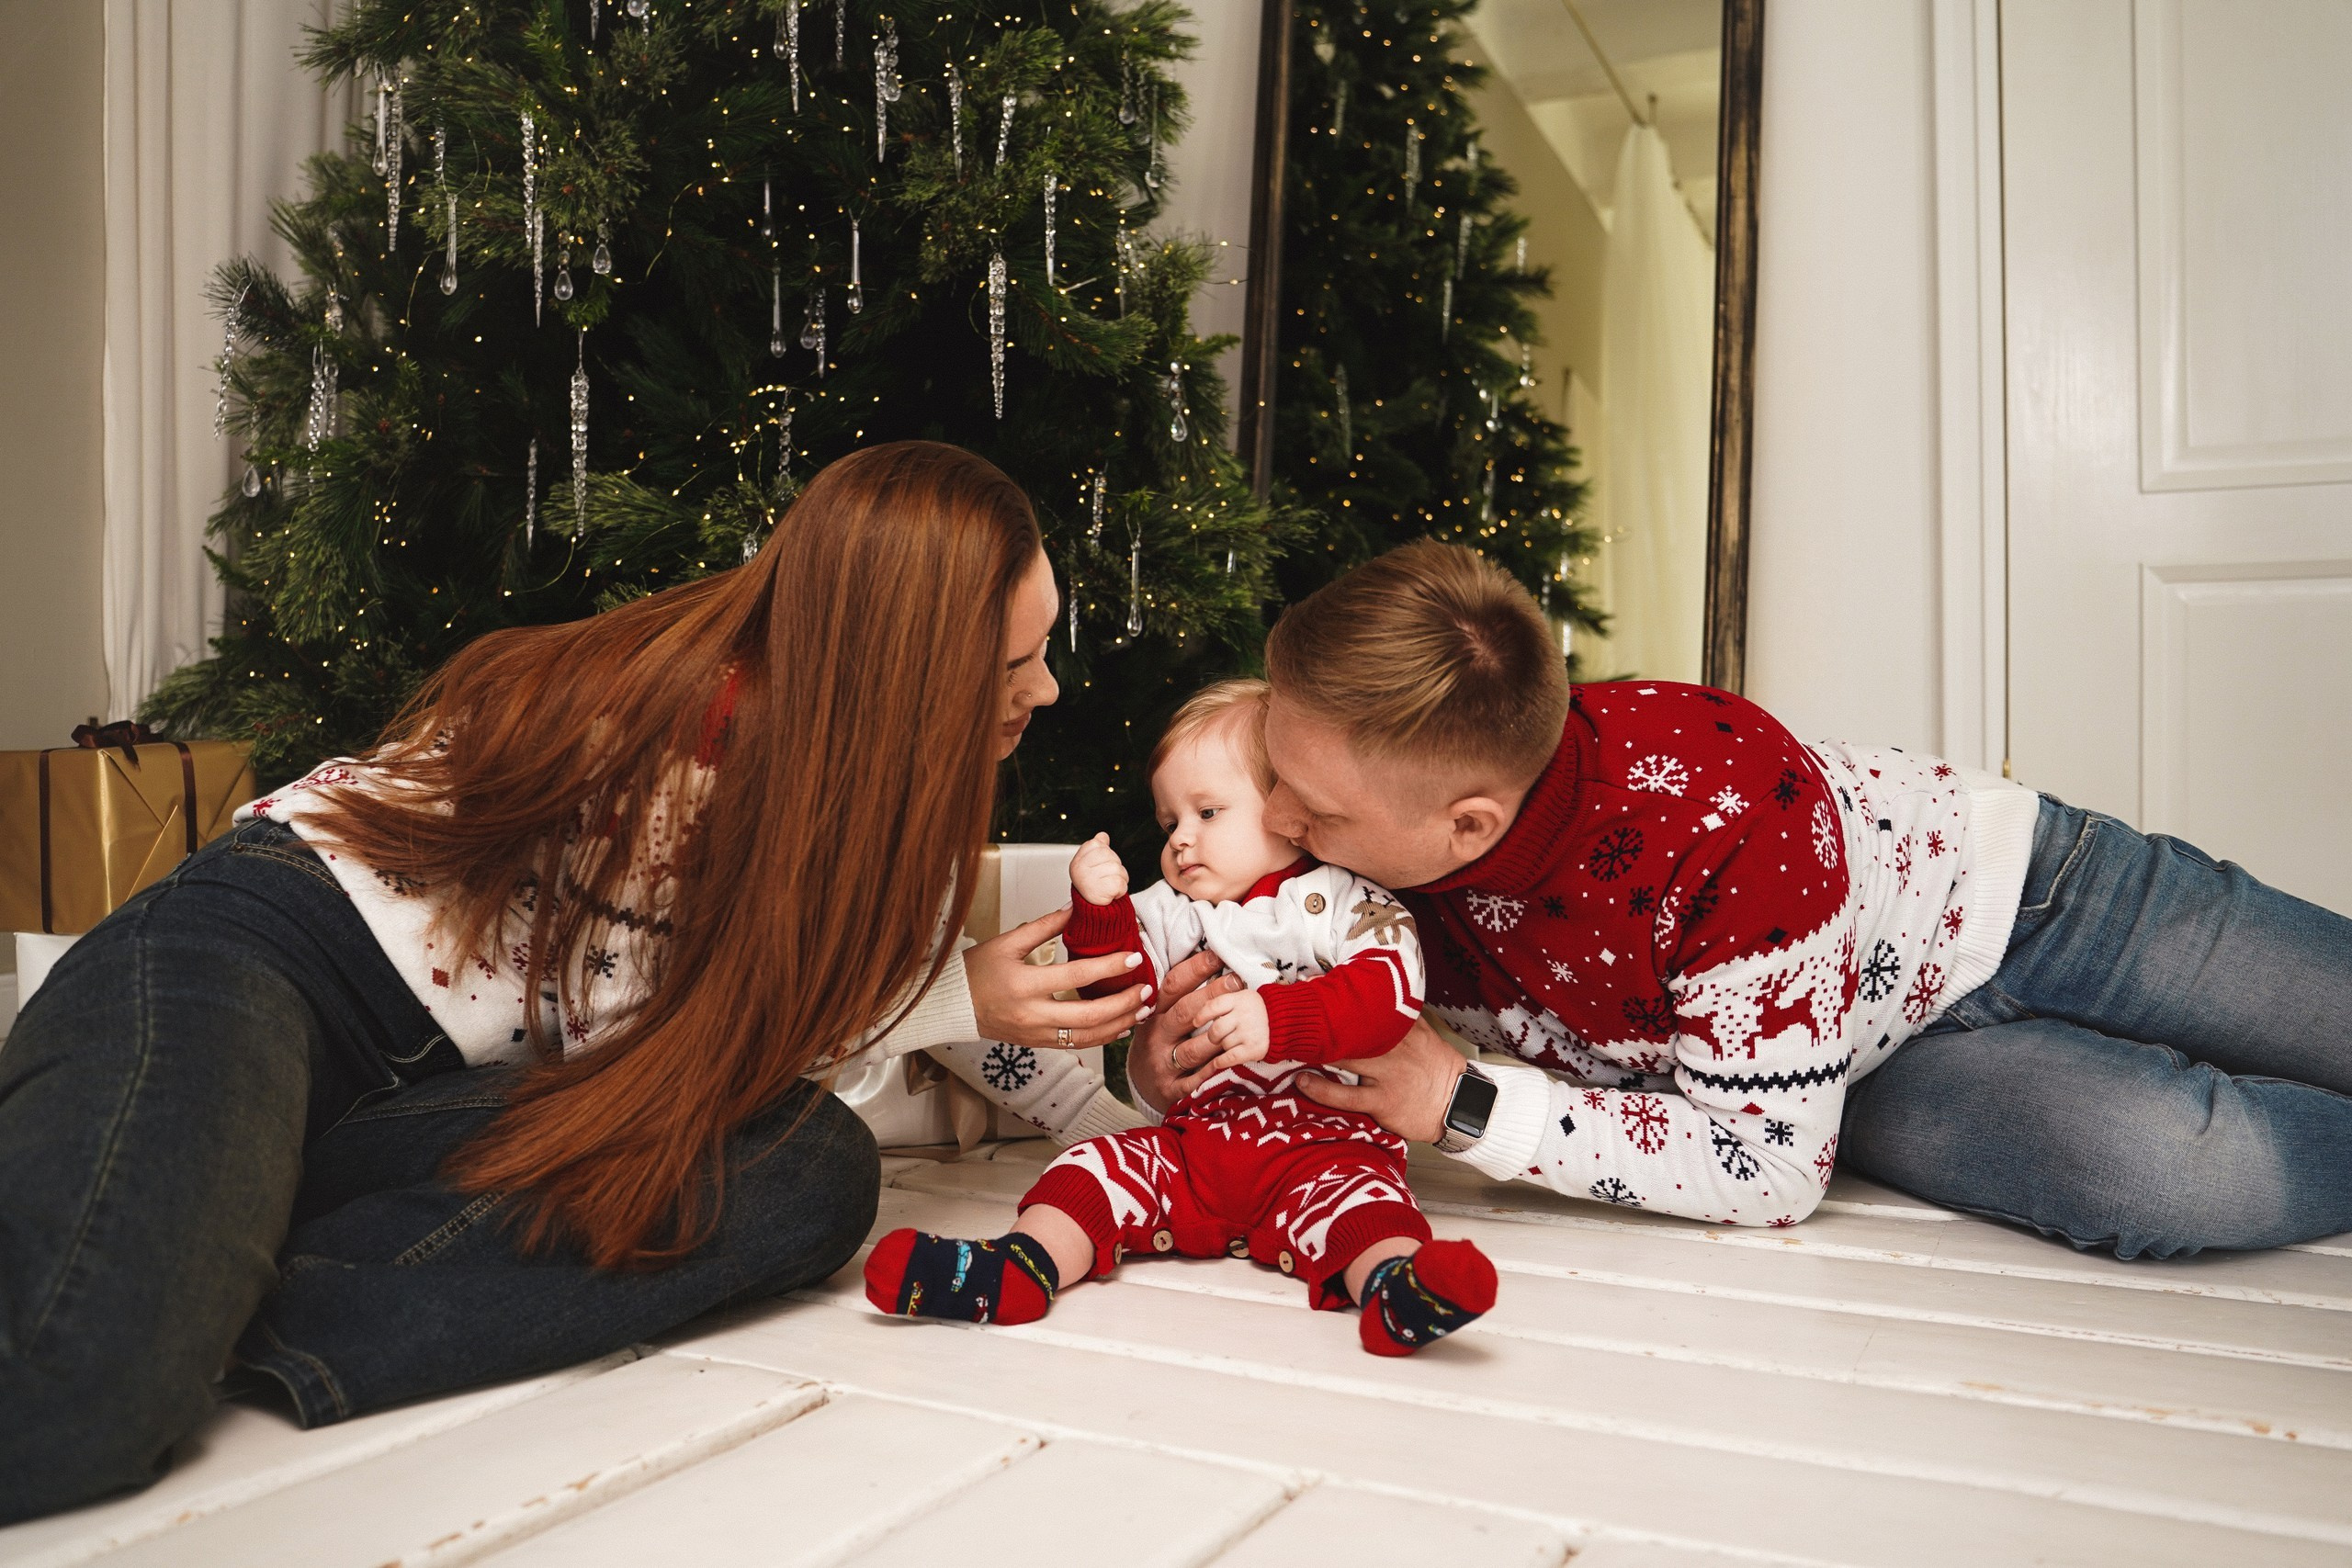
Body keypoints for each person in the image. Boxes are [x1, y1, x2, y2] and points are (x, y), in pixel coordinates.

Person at [0, 442, 1154, 1524]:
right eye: (1014, 664)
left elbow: (696, 1074)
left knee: (801, 1163)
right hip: (261, 962)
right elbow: (679, 1041)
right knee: (79, 1392)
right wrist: (945, 999)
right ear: (902, 669)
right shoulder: (662, 737)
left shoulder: (821, 777)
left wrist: (997, 1029)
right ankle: (174, 1269)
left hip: (417, 1091)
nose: (1046, 691)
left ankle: (217, 1268)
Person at [1125, 539, 2352, 1258]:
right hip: (1854, 1071)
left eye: (1311, 804)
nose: (1280, 821)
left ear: (1470, 826)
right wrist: (1165, 1059)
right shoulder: (1357, 878)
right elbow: (1772, 1146)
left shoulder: (1721, 802)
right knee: (2166, 1173)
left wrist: (1467, 1102)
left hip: (2026, 896)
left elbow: (1759, 1173)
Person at [862, 680, 1498, 1355]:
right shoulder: (1171, 909)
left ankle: (1395, 1289)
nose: (1181, 840)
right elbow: (1118, 987)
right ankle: (1017, 1267)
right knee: (1093, 1167)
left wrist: (1277, 1019)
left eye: (1208, 811)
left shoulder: (1347, 900)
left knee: (1367, 1206)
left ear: (1289, 806)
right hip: (1195, 1147)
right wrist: (1101, 911)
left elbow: (1389, 992)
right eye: (1170, 823)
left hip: (1327, 1149)